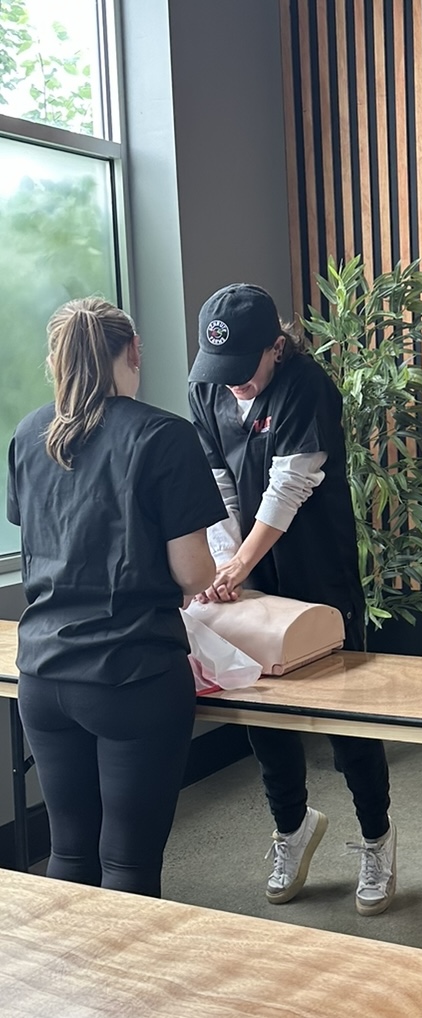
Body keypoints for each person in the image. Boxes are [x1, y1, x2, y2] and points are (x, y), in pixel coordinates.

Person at [187, 283, 396, 916]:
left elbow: (289, 486)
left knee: (348, 716)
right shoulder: (209, 388)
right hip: (250, 577)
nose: (233, 386)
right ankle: (291, 827)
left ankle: (377, 838)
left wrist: (238, 566)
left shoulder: (307, 386)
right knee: (259, 707)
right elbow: (217, 481)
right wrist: (230, 568)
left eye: (244, 371)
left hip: (316, 571)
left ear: (276, 348)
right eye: (220, 374)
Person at [5, 297, 223, 897]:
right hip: (132, 677)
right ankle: (128, 994)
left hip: (43, 677)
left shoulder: (29, 435)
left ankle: (78, 989)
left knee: (70, 852)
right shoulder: (165, 436)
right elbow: (192, 574)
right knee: (127, 865)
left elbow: (46, 547)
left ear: (57, 360)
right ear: (133, 353)